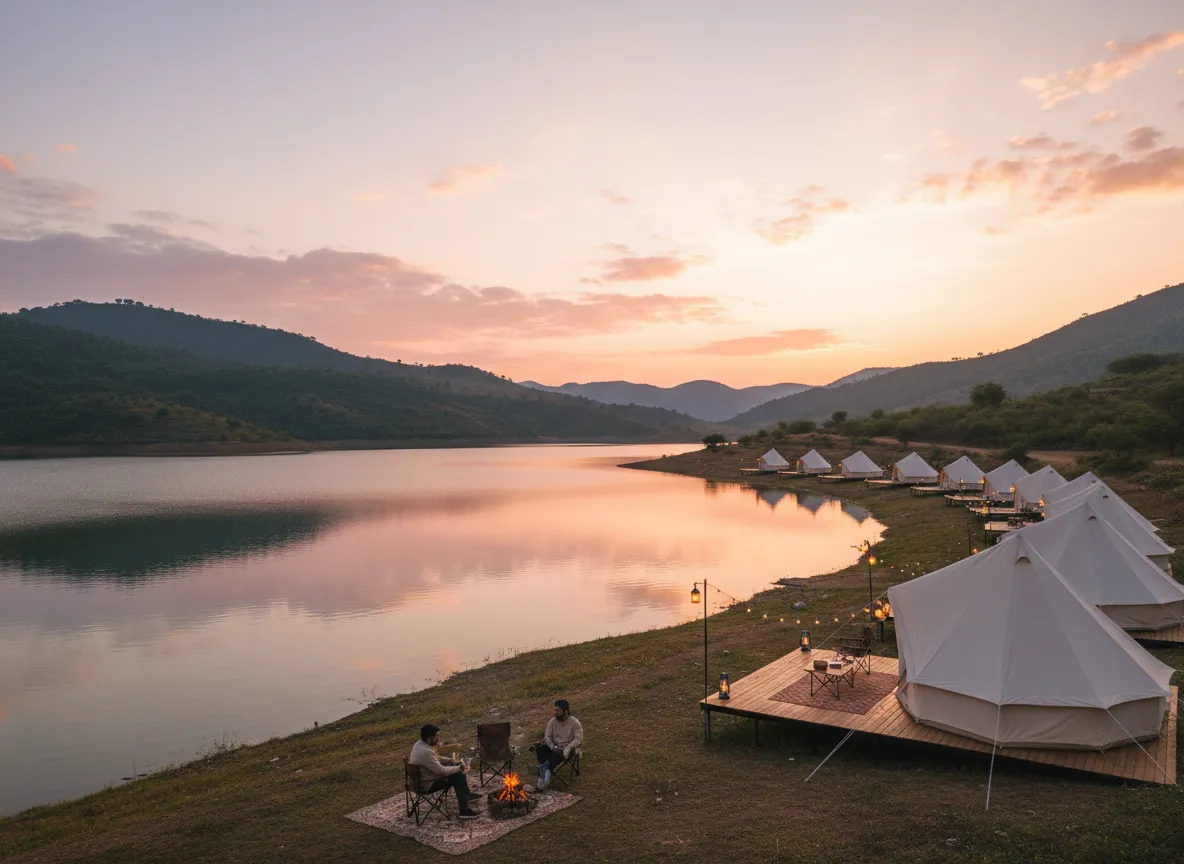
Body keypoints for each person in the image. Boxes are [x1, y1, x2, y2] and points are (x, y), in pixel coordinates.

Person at [409, 724, 482, 819]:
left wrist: (450, 761)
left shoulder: (419, 744)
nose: (438, 739)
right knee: (458, 775)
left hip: (419, 779)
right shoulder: (425, 752)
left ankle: (466, 795)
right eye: (436, 736)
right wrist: (460, 768)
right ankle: (464, 811)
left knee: (454, 767)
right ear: (428, 738)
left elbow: (435, 757)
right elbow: (441, 771)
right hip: (426, 784)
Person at [536, 699, 583, 791]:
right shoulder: (552, 721)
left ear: (565, 711)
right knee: (540, 749)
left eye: (557, 710)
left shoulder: (574, 723)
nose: (555, 712)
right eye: (554, 710)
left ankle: (545, 772)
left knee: (556, 754)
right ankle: (545, 771)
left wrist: (568, 747)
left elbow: (578, 739)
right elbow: (547, 737)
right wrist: (552, 747)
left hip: (568, 750)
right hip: (554, 747)